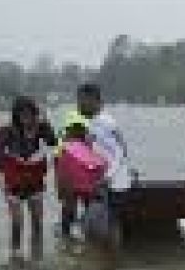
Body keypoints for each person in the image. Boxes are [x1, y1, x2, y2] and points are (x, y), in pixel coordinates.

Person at [56, 83, 130, 240]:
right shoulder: (97, 122)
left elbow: (121, 151)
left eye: (81, 101)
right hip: (106, 184)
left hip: (110, 186)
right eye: (78, 101)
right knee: (101, 228)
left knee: (105, 230)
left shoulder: (103, 123)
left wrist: (107, 177)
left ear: (94, 100)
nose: (78, 105)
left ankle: (106, 254)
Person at [0, 96, 57, 260]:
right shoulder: (5, 132)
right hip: (14, 181)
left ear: (35, 114)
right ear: (16, 115)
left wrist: (46, 124)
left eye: (30, 114)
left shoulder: (42, 128)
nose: (26, 118)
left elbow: (53, 143)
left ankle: (37, 254)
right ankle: (16, 254)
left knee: (37, 221)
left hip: (35, 180)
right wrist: (3, 172)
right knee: (17, 221)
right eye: (22, 114)